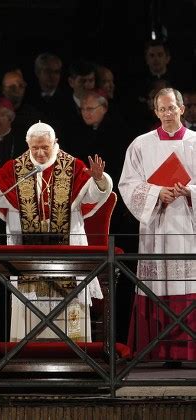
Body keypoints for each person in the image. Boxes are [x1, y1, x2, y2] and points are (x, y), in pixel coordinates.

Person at [0, 121, 113, 342]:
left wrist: (99, 179)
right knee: (29, 303)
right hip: (27, 253)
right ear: (28, 145)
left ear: (55, 144)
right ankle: (26, 349)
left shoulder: (72, 166)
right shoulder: (16, 168)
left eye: (45, 147)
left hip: (68, 250)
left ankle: (73, 352)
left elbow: (93, 195)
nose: (40, 152)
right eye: (35, 148)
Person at [118, 87, 196, 364]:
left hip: (188, 227)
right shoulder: (141, 144)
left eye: (171, 108)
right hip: (156, 226)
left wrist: (190, 193)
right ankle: (157, 352)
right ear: (156, 112)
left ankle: (189, 351)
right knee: (157, 285)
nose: (167, 114)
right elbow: (127, 184)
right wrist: (155, 194)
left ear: (182, 109)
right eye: (161, 109)